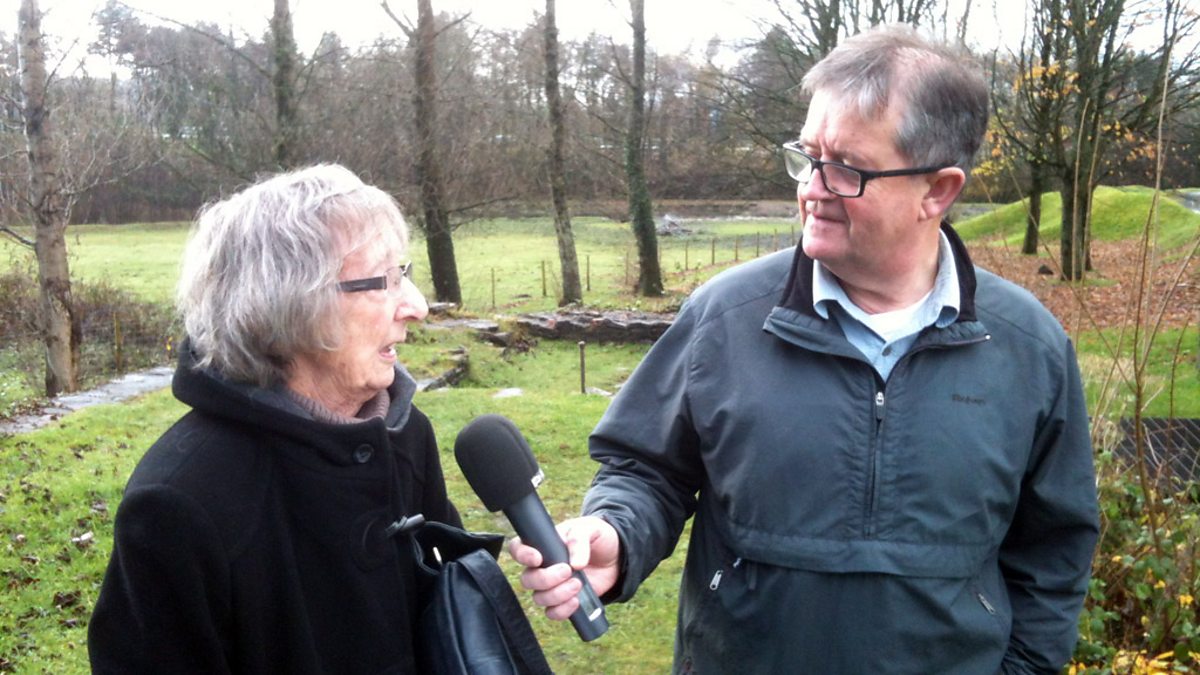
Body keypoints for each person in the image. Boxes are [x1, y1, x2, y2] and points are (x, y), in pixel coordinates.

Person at [510, 24, 1099, 674]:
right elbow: (647, 469)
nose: (812, 188)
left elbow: (1054, 550)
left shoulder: (1028, 348)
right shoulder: (724, 318)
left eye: (845, 168)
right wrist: (617, 532)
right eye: (807, 156)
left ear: (938, 190)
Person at [88, 164, 460, 673]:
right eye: (385, 281)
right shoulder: (179, 502)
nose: (416, 306)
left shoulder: (402, 433)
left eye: (405, 273)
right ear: (289, 304)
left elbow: (450, 619)